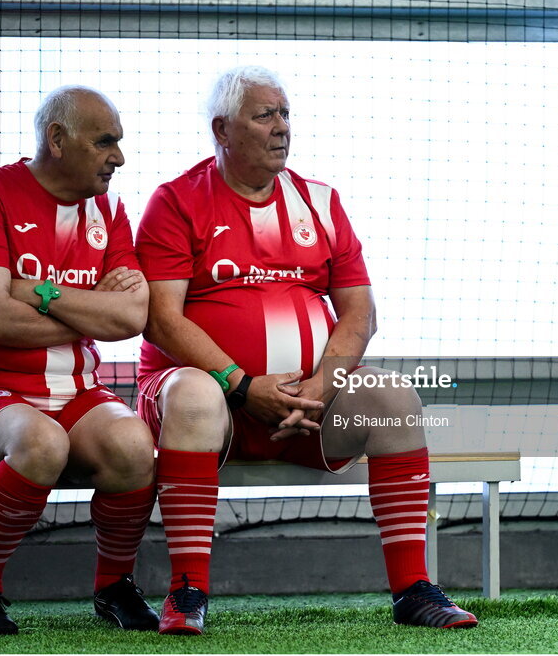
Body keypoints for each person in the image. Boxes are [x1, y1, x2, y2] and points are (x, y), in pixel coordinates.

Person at [135, 66, 478, 635]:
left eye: (285, 114)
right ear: (222, 129)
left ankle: (413, 590)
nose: (281, 128)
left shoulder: (320, 201)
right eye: (264, 115)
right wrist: (243, 385)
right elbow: (161, 320)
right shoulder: (177, 201)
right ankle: (186, 592)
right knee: (195, 394)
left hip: (309, 406)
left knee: (392, 396)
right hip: (209, 408)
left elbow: (360, 314)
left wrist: (321, 386)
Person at [0, 86, 159, 635]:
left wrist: (42, 292)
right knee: (41, 442)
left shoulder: (108, 209)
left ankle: (114, 589)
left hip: (77, 392)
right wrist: (91, 309)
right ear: (57, 140)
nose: (119, 158)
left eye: (119, 143)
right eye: (105, 142)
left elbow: (130, 318)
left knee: (135, 445)